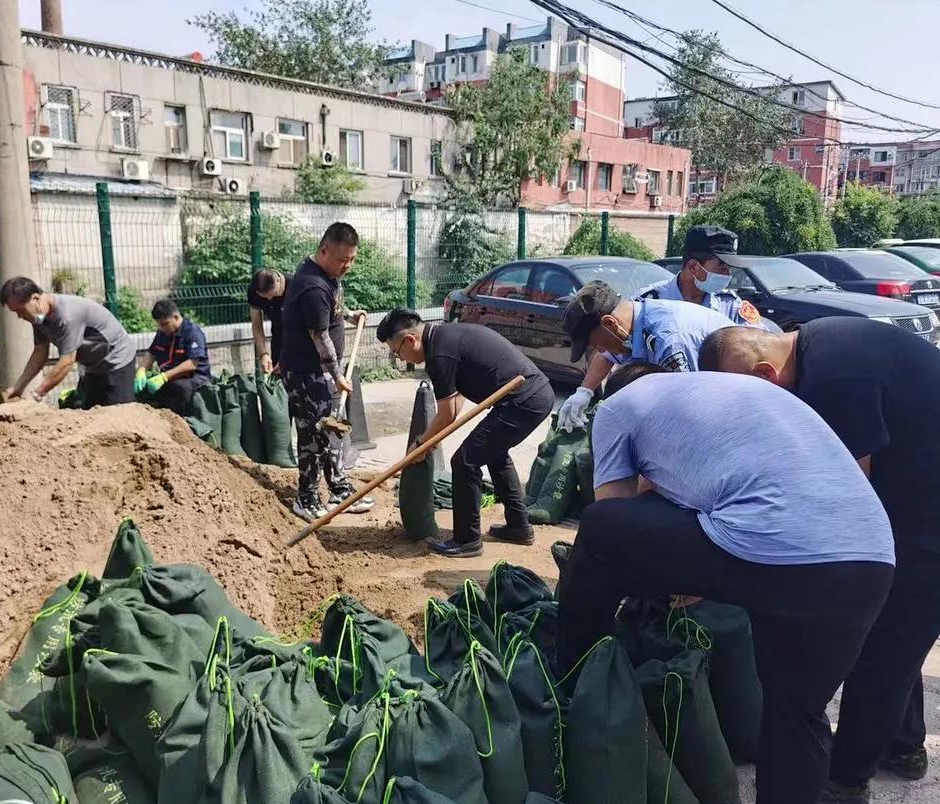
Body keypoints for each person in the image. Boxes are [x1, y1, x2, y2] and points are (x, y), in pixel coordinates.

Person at [556, 363, 894, 804]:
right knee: (796, 710)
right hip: (869, 558)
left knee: (600, 530)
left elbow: (614, 511)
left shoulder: (619, 405)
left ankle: (574, 677)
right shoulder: (732, 396)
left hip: (775, 547)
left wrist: (670, 576)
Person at [698, 318, 940, 804]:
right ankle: (903, 746)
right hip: (915, 497)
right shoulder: (819, 344)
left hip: (928, 524)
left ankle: (846, 781)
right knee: (898, 635)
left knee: (883, 651)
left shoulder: (835, 380)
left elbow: (848, 492)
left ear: (765, 374)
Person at [378, 308, 554, 557]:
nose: (400, 358)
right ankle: (519, 527)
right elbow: (456, 400)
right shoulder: (444, 339)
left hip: (523, 400)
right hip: (532, 396)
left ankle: (467, 540)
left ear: (409, 340)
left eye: (397, 352)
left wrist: (422, 443)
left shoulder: (439, 354)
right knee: (494, 454)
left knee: (464, 462)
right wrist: (430, 441)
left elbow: (447, 413)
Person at [558, 225, 761, 432]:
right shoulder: (646, 303)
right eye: (721, 267)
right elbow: (610, 352)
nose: (727, 274)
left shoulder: (724, 308)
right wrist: (584, 392)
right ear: (694, 266)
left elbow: (692, 406)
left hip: (731, 404)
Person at [280, 222, 371, 522]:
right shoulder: (313, 286)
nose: (348, 266)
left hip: (323, 371)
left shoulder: (327, 275)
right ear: (324, 251)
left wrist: (349, 315)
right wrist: (337, 375)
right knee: (314, 434)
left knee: (331, 428)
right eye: (343, 259)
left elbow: (330, 311)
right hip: (307, 372)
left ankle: (339, 489)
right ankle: (306, 497)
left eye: (352, 259)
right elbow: (321, 338)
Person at [555, 278, 733, 431]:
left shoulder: (669, 341)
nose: (601, 350)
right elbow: (606, 357)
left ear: (610, 323)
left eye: (598, 345)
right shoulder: (632, 322)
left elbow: (688, 410)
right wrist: (584, 392)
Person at [0, 277, 137, 408]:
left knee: (118, 412)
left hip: (118, 360)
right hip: (94, 366)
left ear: (35, 298)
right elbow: (40, 353)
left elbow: (67, 361)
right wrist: (17, 388)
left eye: (20, 310)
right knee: (92, 414)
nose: (19, 316)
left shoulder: (68, 315)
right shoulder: (39, 318)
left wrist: (37, 394)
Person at [136, 298, 211, 416]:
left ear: (175, 317)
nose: (162, 328)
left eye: (165, 324)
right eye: (159, 325)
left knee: (178, 388)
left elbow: (191, 364)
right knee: (143, 389)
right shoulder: (163, 333)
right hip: (169, 377)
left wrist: (164, 377)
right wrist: (141, 371)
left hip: (195, 378)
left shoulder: (192, 332)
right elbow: (151, 354)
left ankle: (184, 420)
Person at [248, 268, 291, 375]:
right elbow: (256, 325)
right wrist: (263, 354)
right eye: (264, 297)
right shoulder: (254, 292)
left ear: (278, 281)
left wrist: (290, 357)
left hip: (302, 339)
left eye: (274, 294)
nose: (270, 299)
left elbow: (308, 328)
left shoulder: (297, 286)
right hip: (278, 336)